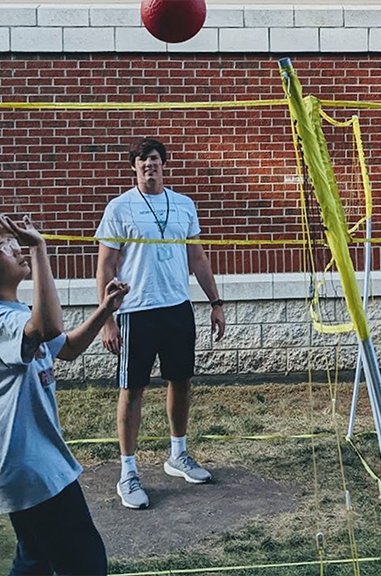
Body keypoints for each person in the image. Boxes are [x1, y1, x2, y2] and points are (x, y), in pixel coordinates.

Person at [0, 213, 129, 575]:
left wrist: (104, 310)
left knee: (35, 557)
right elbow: (49, 325)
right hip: (25, 462)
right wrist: (40, 249)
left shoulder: (14, 313)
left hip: (24, 460)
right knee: (85, 561)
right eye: (5, 248)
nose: (16, 248)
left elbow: (65, 347)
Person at [96, 137, 226, 510]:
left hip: (176, 308)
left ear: (163, 164)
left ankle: (178, 454)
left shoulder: (183, 205)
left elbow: (198, 258)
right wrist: (107, 318)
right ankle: (128, 471)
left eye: (153, 159)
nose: (148, 165)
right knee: (132, 390)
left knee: (181, 381)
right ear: (134, 167)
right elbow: (105, 266)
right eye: (141, 160)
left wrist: (215, 302)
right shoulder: (119, 208)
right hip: (136, 311)